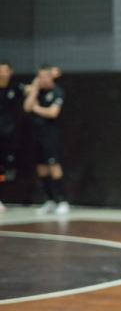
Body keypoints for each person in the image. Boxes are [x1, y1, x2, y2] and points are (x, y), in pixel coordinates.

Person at [23, 64, 69, 215]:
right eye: (40, 76)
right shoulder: (37, 91)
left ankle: (62, 201)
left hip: (51, 136)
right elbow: (27, 107)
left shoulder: (57, 92)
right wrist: (35, 89)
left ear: (51, 76)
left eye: (45, 76)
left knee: (54, 167)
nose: (43, 79)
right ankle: (49, 201)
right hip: (37, 135)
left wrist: (37, 109)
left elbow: (53, 112)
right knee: (42, 169)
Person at [0, 61, 27, 213]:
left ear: (11, 71)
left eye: (5, 70)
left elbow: (28, 89)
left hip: (9, 134)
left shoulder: (14, 86)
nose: (2, 73)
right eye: (0, 70)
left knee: (5, 167)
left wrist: (41, 80)